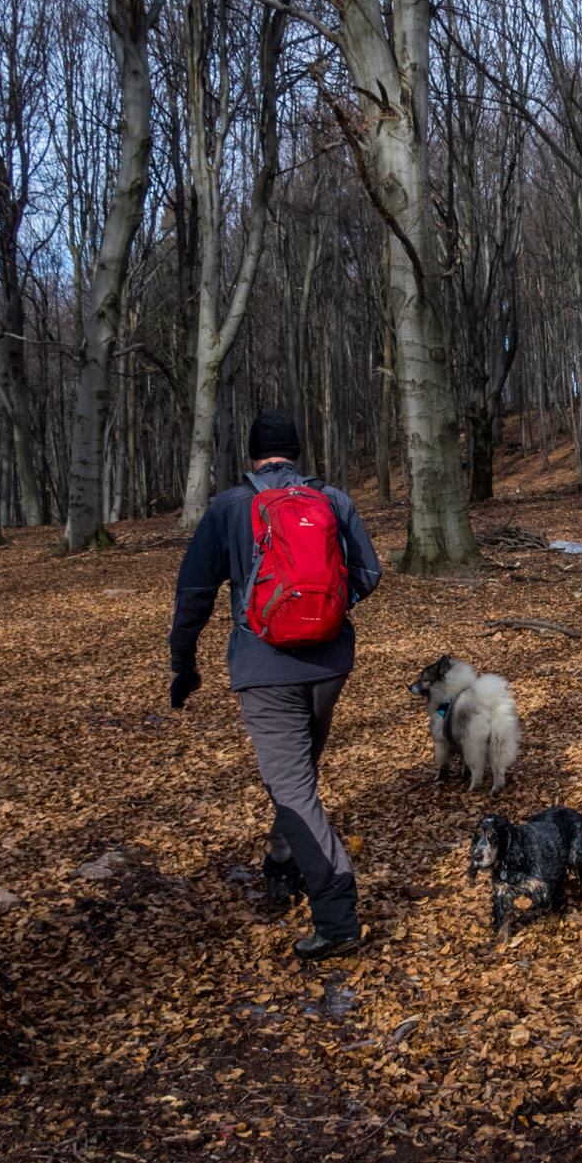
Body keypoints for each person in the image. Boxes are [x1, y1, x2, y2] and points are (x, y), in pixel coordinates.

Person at [168, 409, 381, 959]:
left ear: (252, 454)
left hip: (264, 671)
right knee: (296, 776)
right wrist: (329, 614)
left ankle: (337, 916)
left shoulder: (229, 507)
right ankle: (282, 865)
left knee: (291, 787)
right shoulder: (333, 501)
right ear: (296, 452)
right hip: (330, 665)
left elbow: (194, 593)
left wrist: (183, 662)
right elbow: (368, 574)